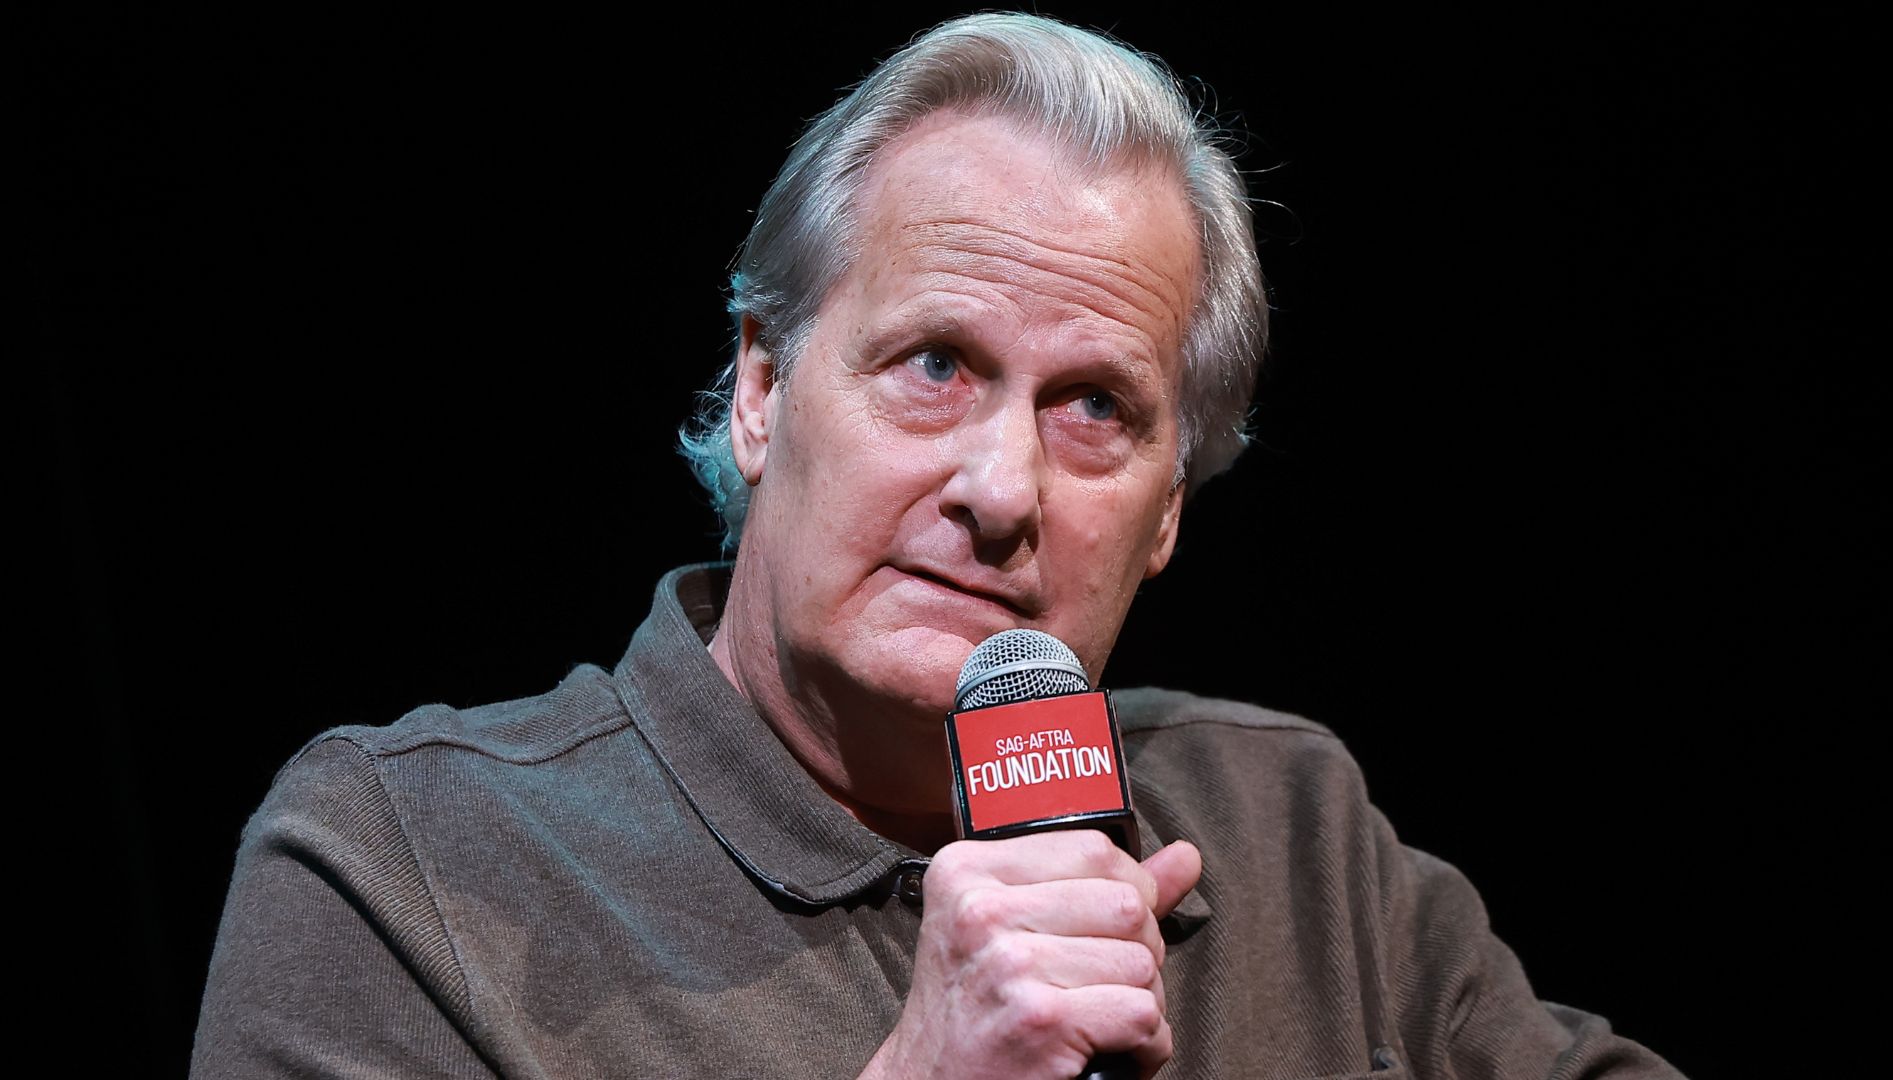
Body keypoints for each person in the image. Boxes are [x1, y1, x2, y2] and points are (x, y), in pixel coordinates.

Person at [191, 13, 1681, 1078]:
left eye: (1096, 405)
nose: (1001, 487)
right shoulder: (400, 873)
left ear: (1169, 511)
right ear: (764, 389)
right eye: (936, 366)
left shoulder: (1288, 821)